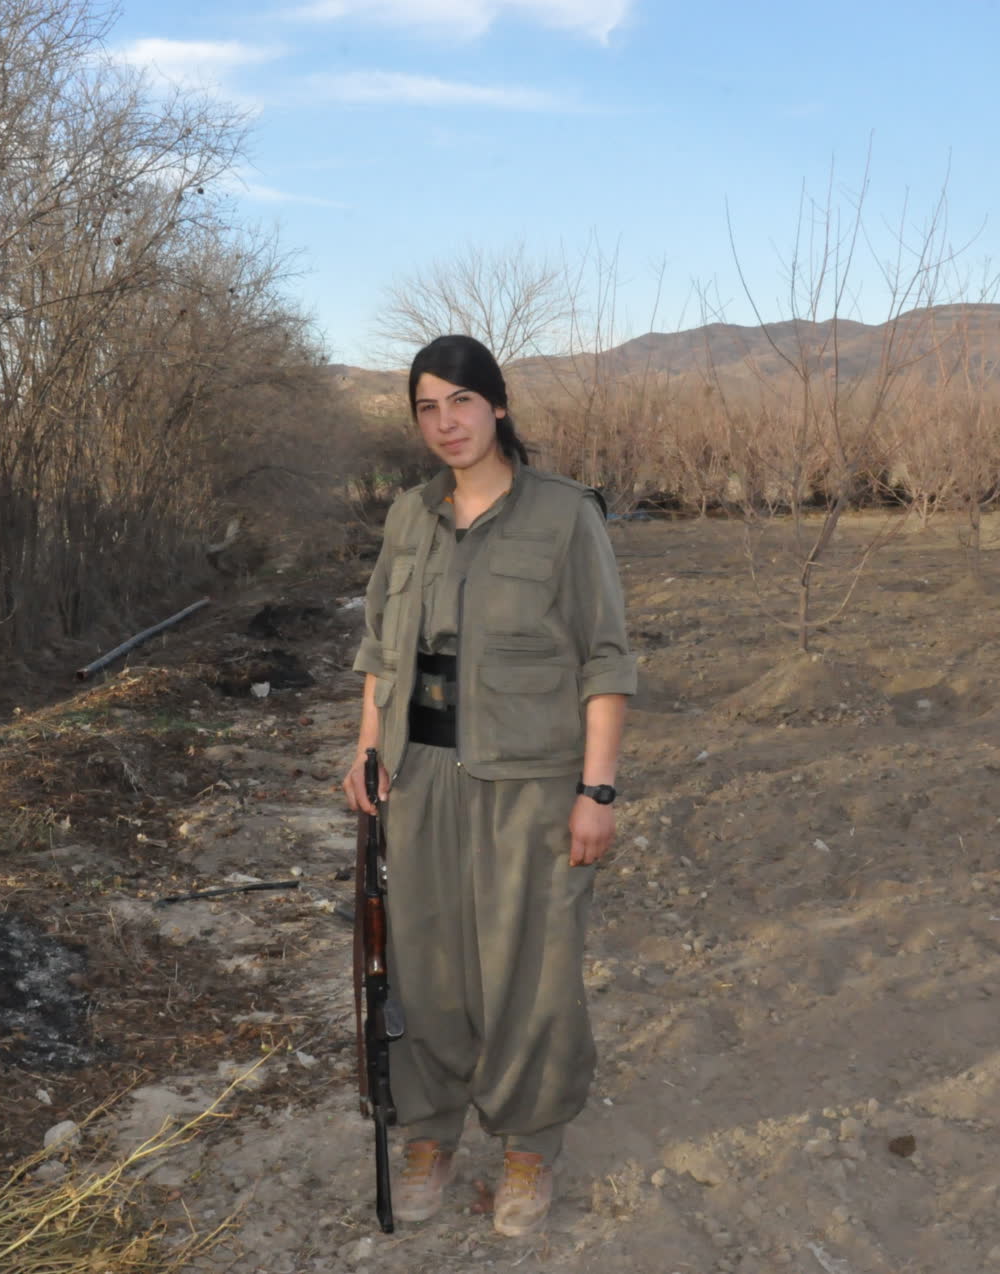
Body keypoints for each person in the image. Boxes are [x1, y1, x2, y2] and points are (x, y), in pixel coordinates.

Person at [342, 333, 635, 1237]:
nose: (446, 423)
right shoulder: (408, 516)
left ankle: (528, 1147)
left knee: (530, 972)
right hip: (420, 777)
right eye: (427, 408)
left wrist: (597, 792)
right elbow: (381, 650)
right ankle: (428, 1133)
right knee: (423, 964)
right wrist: (366, 750)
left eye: (461, 402)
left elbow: (605, 659)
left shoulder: (564, 514)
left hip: (529, 786)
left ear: (497, 406)